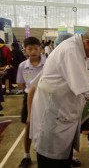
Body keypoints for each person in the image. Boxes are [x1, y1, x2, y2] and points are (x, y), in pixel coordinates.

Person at [29, 24, 89, 168]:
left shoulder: (85, 53)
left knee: (63, 159)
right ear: (88, 41)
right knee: (51, 161)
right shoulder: (71, 51)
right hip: (53, 116)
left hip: (65, 115)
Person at [17, 37, 46, 168]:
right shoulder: (23, 66)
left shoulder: (48, 63)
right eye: (30, 49)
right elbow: (21, 84)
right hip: (29, 96)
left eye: (36, 48)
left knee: (49, 125)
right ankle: (26, 155)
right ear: (25, 50)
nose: (33, 51)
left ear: (41, 49)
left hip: (46, 97)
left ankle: (59, 155)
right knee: (28, 126)